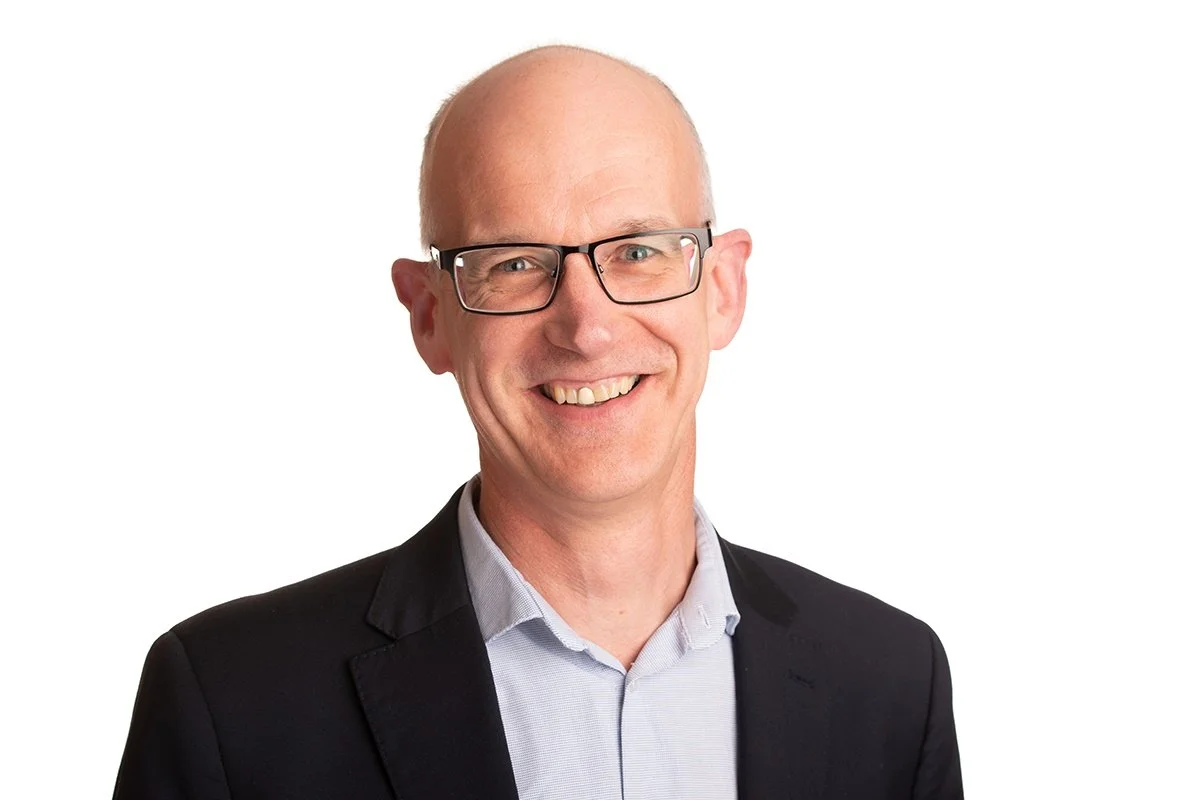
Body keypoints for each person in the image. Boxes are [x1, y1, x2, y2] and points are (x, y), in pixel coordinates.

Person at [114, 45, 963, 799]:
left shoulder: (889, 685)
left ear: (722, 289)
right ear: (429, 317)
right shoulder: (233, 703)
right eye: (513, 263)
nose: (586, 328)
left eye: (636, 250)